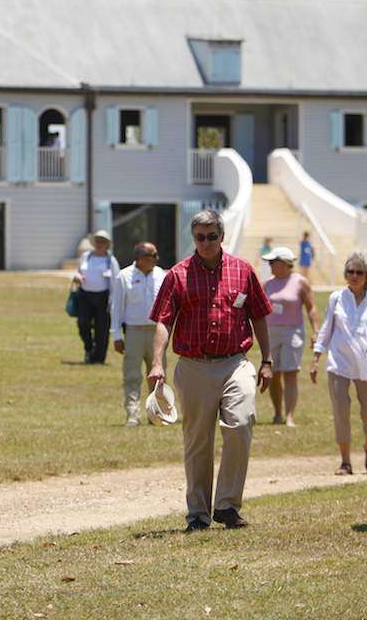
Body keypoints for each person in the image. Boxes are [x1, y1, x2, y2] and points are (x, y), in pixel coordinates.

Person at [147, 209, 273, 531]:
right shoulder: (177, 275)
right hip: (193, 365)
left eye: (211, 237)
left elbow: (258, 314)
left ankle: (228, 506)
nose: (205, 243)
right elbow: (163, 320)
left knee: (240, 424)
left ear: (222, 237)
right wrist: (157, 363)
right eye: (199, 237)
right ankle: (199, 515)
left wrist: (267, 360)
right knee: (197, 441)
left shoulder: (242, 270)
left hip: (235, 362)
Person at [312, 253, 367, 475]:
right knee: (340, 412)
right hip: (338, 364)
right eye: (350, 271)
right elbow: (326, 328)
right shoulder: (336, 298)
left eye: (359, 272)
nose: (354, 276)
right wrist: (316, 357)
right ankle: (345, 462)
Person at [110, 242, 167, 426]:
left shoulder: (161, 275)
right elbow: (116, 307)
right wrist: (117, 335)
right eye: (153, 256)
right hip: (134, 331)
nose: (156, 260)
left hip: (156, 331)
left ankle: (155, 414)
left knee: (157, 375)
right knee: (132, 375)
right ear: (141, 259)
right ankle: (133, 414)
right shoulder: (124, 276)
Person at [260, 246, 316, 426]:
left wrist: (316, 331)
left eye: (272, 262)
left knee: (290, 373)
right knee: (273, 373)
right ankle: (277, 414)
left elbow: (311, 308)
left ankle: (290, 415)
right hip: (271, 333)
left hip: (293, 331)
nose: (269, 265)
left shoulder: (300, 282)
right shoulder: (267, 283)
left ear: (284, 264)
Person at [75, 230, 119, 364]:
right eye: (98, 241)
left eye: (103, 242)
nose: (100, 244)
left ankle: (98, 357)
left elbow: (116, 282)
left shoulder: (110, 260)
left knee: (102, 329)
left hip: (103, 297)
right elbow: (78, 271)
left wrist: (113, 301)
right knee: (83, 323)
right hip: (85, 295)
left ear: (107, 245)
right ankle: (89, 348)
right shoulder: (86, 256)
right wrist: (77, 277)